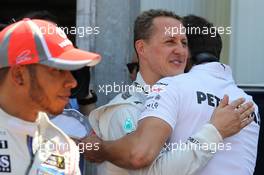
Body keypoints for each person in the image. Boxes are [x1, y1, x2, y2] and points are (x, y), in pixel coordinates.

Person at [83, 10, 255, 175]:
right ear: (142, 48)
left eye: (184, 43)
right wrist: (215, 131)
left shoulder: (183, 96)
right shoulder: (125, 109)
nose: (181, 51)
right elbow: (146, 168)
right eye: (170, 42)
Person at [0, 18, 101, 174]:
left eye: (71, 71)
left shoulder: (65, 147)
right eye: (58, 70)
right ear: (19, 75)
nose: (72, 82)